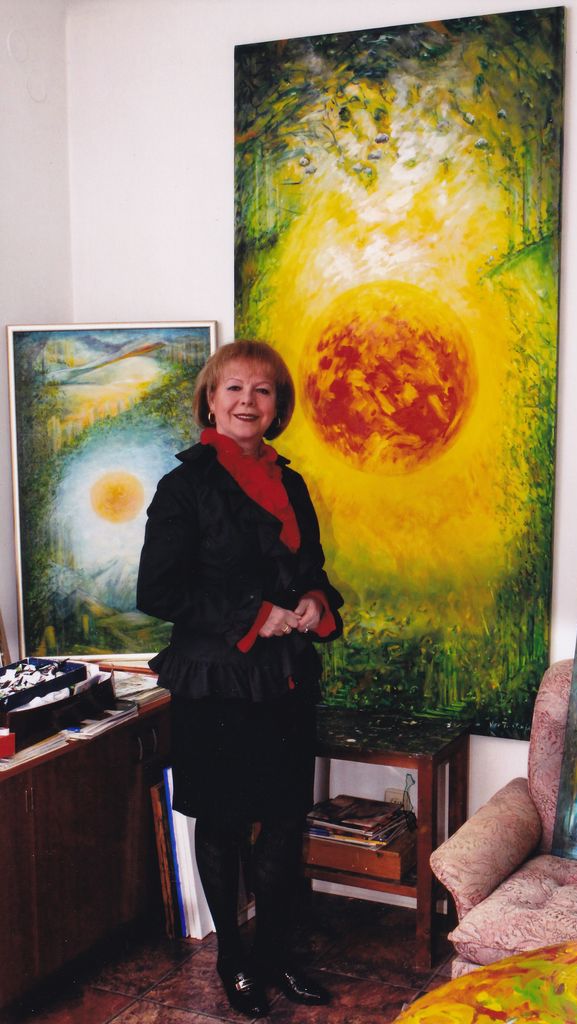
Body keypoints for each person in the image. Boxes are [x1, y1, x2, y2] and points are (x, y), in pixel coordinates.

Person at [137, 340, 343, 1018]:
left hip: (283, 677)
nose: (247, 401)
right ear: (210, 399)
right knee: (224, 822)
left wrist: (313, 600)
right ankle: (233, 959)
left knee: (283, 819)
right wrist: (256, 615)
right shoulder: (183, 487)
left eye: (262, 390)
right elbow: (157, 591)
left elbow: (310, 568)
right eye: (233, 388)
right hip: (217, 681)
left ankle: (275, 955)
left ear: (277, 405)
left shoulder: (292, 482)